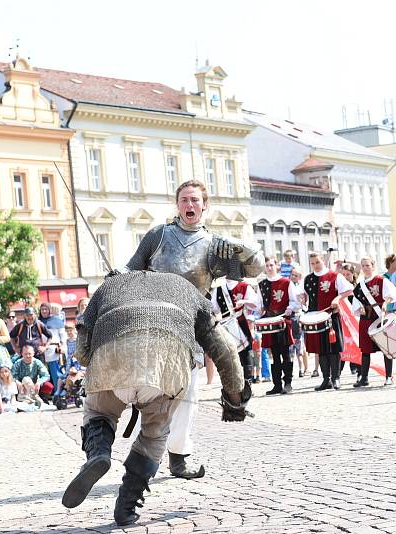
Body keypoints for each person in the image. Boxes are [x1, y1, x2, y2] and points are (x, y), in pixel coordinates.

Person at [61, 271, 250, 526]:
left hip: (113, 357)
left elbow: (83, 354)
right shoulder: (187, 289)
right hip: (167, 365)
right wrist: (235, 399)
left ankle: (99, 453)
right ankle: (127, 506)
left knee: (99, 413)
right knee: (154, 433)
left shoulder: (111, 285)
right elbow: (224, 348)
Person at [119, 179, 264, 479]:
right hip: (156, 315)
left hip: (196, 318)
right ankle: (136, 443)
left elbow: (255, 269)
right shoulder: (158, 235)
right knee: (156, 390)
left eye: (195, 200)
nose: (190, 205)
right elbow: (131, 267)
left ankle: (232, 405)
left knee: (207, 374)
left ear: (204, 205)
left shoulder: (213, 245)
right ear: (177, 204)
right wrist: (116, 275)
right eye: (185, 199)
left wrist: (241, 248)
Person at [296, 252, 354, 391]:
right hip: (315, 317)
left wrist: (338, 298)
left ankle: (336, 378)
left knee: (333, 349)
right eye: (313, 263)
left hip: (330, 316)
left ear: (323, 261)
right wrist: (303, 298)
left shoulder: (334, 276)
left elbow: (349, 290)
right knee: (321, 350)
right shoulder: (308, 279)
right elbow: (302, 293)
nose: (315, 265)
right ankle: (326, 379)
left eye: (317, 262)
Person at [256, 256, 302, 395]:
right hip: (269, 321)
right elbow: (259, 304)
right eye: (267, 265)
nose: (269, 268)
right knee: (274, 354)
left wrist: (290, 308)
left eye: (271, 265)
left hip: (283, 320)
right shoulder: (262, 284)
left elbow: (295, 302)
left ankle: (288, 383)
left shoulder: (286, 282)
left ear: (277, 266)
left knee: (285, 353)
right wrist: (259, 309)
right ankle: (277, 384)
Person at [351, 256, 396, 387]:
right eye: (363, 266)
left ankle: (389, 377)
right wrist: (359, 307)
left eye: (368, 265)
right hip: (366, 319)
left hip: (380, 317)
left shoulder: (381, 280)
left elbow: (392, 294)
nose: (365, 268)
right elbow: (355, 301)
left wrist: (386, 303)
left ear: (373, 266)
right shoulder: (359, 286)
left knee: (385, 348)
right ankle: (364, 378)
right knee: (365, 350)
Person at [211, 278, 258, 383]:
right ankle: (234, 384)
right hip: (226, 325)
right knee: (230, 356)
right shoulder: (219, 288)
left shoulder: (244, 286)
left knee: (245, 354)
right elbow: (214, 308)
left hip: (241, 322)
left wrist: (244, 301)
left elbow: (256, 303)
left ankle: (248, 383)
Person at [288, 268, 309, 377]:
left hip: (299, 316)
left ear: (300, 278)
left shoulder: (302, 288)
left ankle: (304, 368)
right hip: (290, 317)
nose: (293, 277)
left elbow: (305, 303)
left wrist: (302, 301)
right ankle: (297, 368)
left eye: (296, 275)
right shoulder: (288, 286)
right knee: (292, 345)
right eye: (292, 275)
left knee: (300, 344)